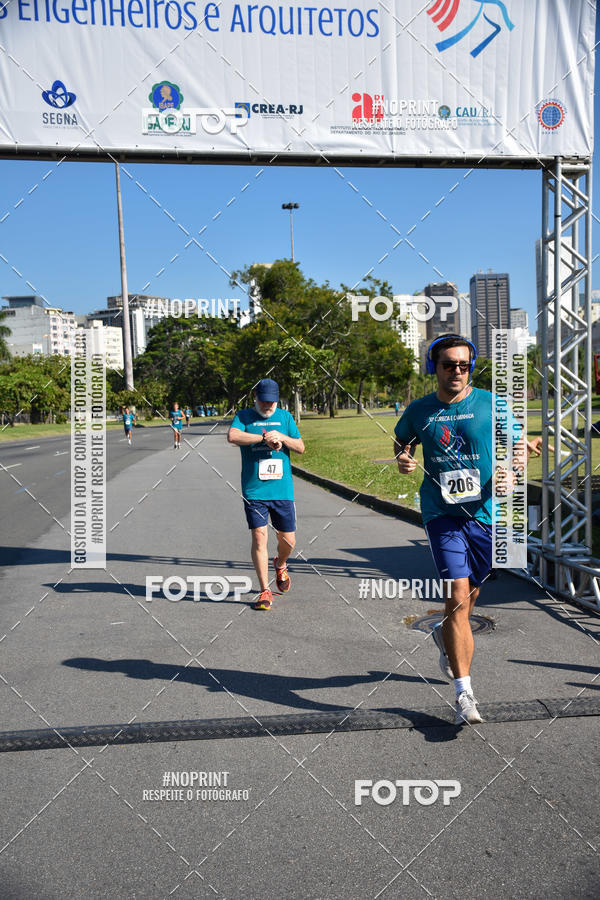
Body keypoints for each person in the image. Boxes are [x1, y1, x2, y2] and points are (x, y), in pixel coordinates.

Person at [394, 333, 542, 726]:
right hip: (441, 512)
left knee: (468, 599)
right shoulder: (420, 409)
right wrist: (404, 459)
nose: (457, 371)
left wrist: (512, 470)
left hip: (485, 514)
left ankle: (445, 636)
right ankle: (464, 693)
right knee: (457, 593)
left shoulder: (492, 404)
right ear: (435, 368)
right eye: (449, 365)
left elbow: (517, 446)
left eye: (464, 365)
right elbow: (401, 440)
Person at [227, 378, 305, 610]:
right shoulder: (243, 417)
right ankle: (264, 591)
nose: (268, 406)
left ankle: (280, 564)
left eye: (272, 402)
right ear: (255, 397)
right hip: (254, 489)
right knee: (260, 536)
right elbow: (232, 436)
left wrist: (281, 437)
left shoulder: (285, 417)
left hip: (282, 489)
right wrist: (263, 437)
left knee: (288, 541)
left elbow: (300, 447)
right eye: (264, 401)